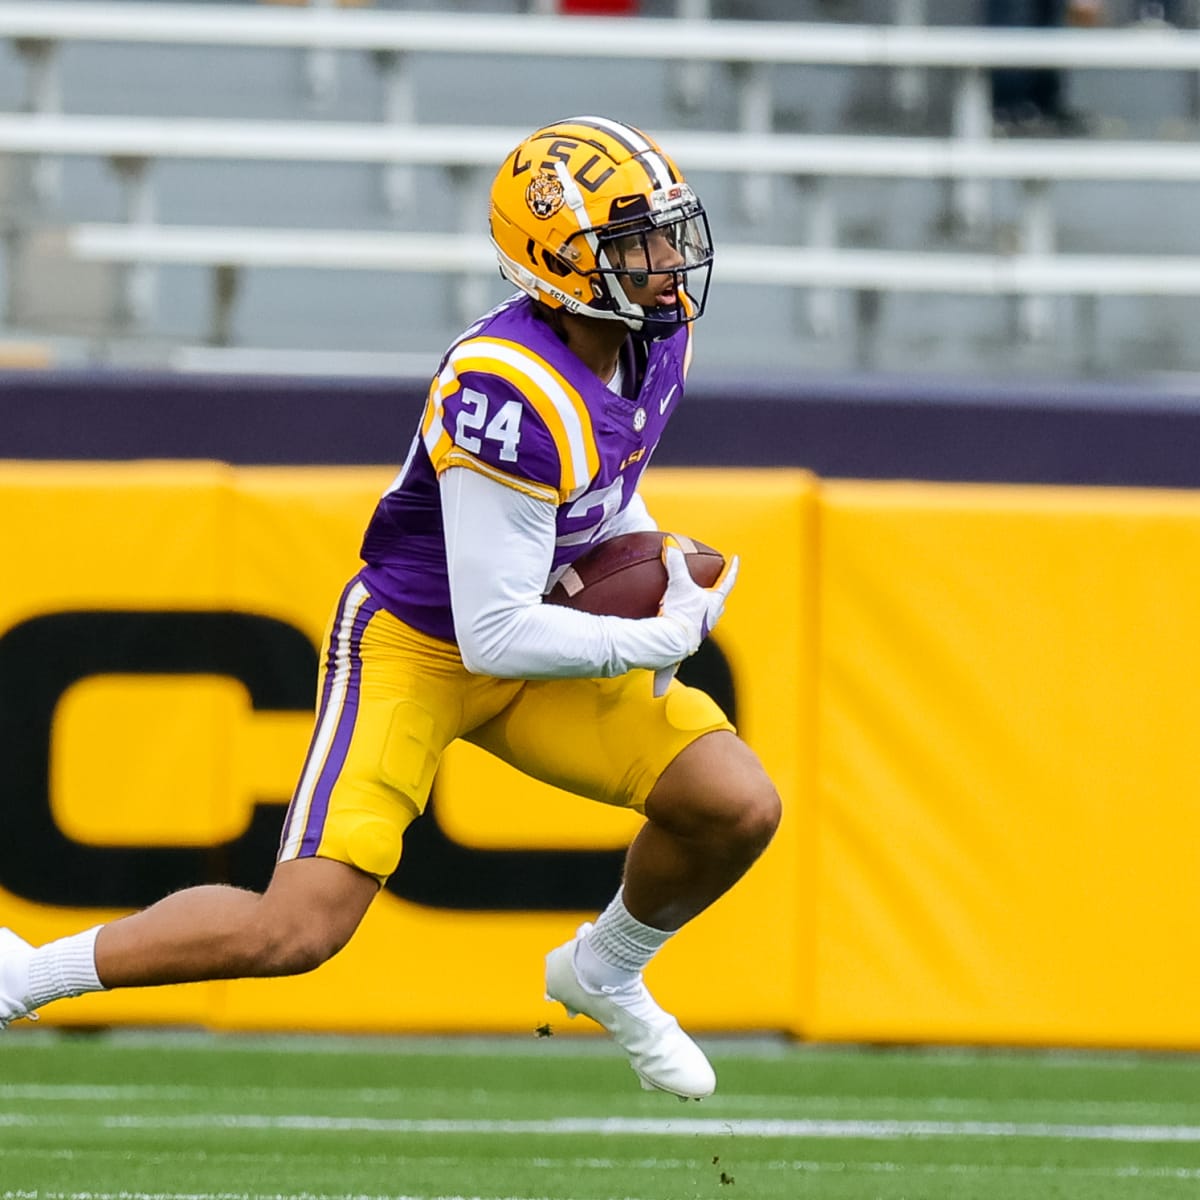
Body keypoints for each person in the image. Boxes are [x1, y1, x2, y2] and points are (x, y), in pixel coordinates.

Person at [0, 116, 781, 1101]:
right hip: (420, 648)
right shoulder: (509, 389)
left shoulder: (656, 338)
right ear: (555, 261)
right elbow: (492, 629)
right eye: (634, 243)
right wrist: (650, 633)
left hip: (543, 627)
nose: (667, 261)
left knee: (735, 805)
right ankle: (23, 975)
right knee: (295, 930)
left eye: (667, 233)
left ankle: (606, 969)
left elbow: (606, 484)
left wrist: (653, 559)